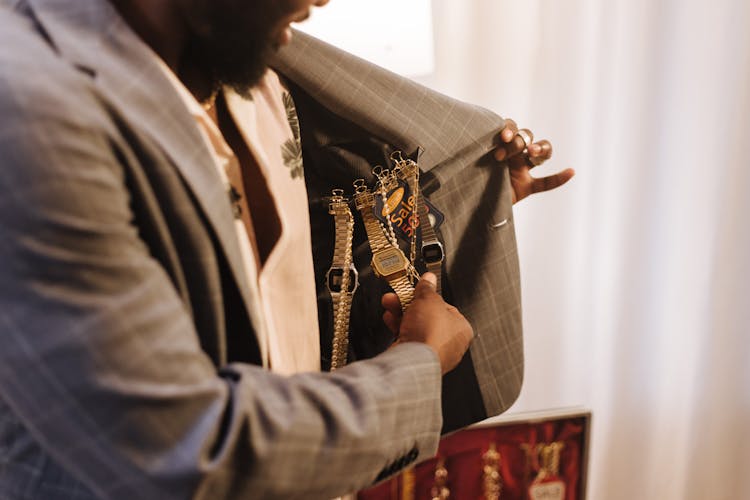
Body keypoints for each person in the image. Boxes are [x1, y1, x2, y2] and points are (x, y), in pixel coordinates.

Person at [0, 1, 573, 499]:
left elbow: (270, 287)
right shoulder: (29, 119)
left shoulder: (255, 66)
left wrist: (465, 196)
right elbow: (192, 457)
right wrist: (420, 361)